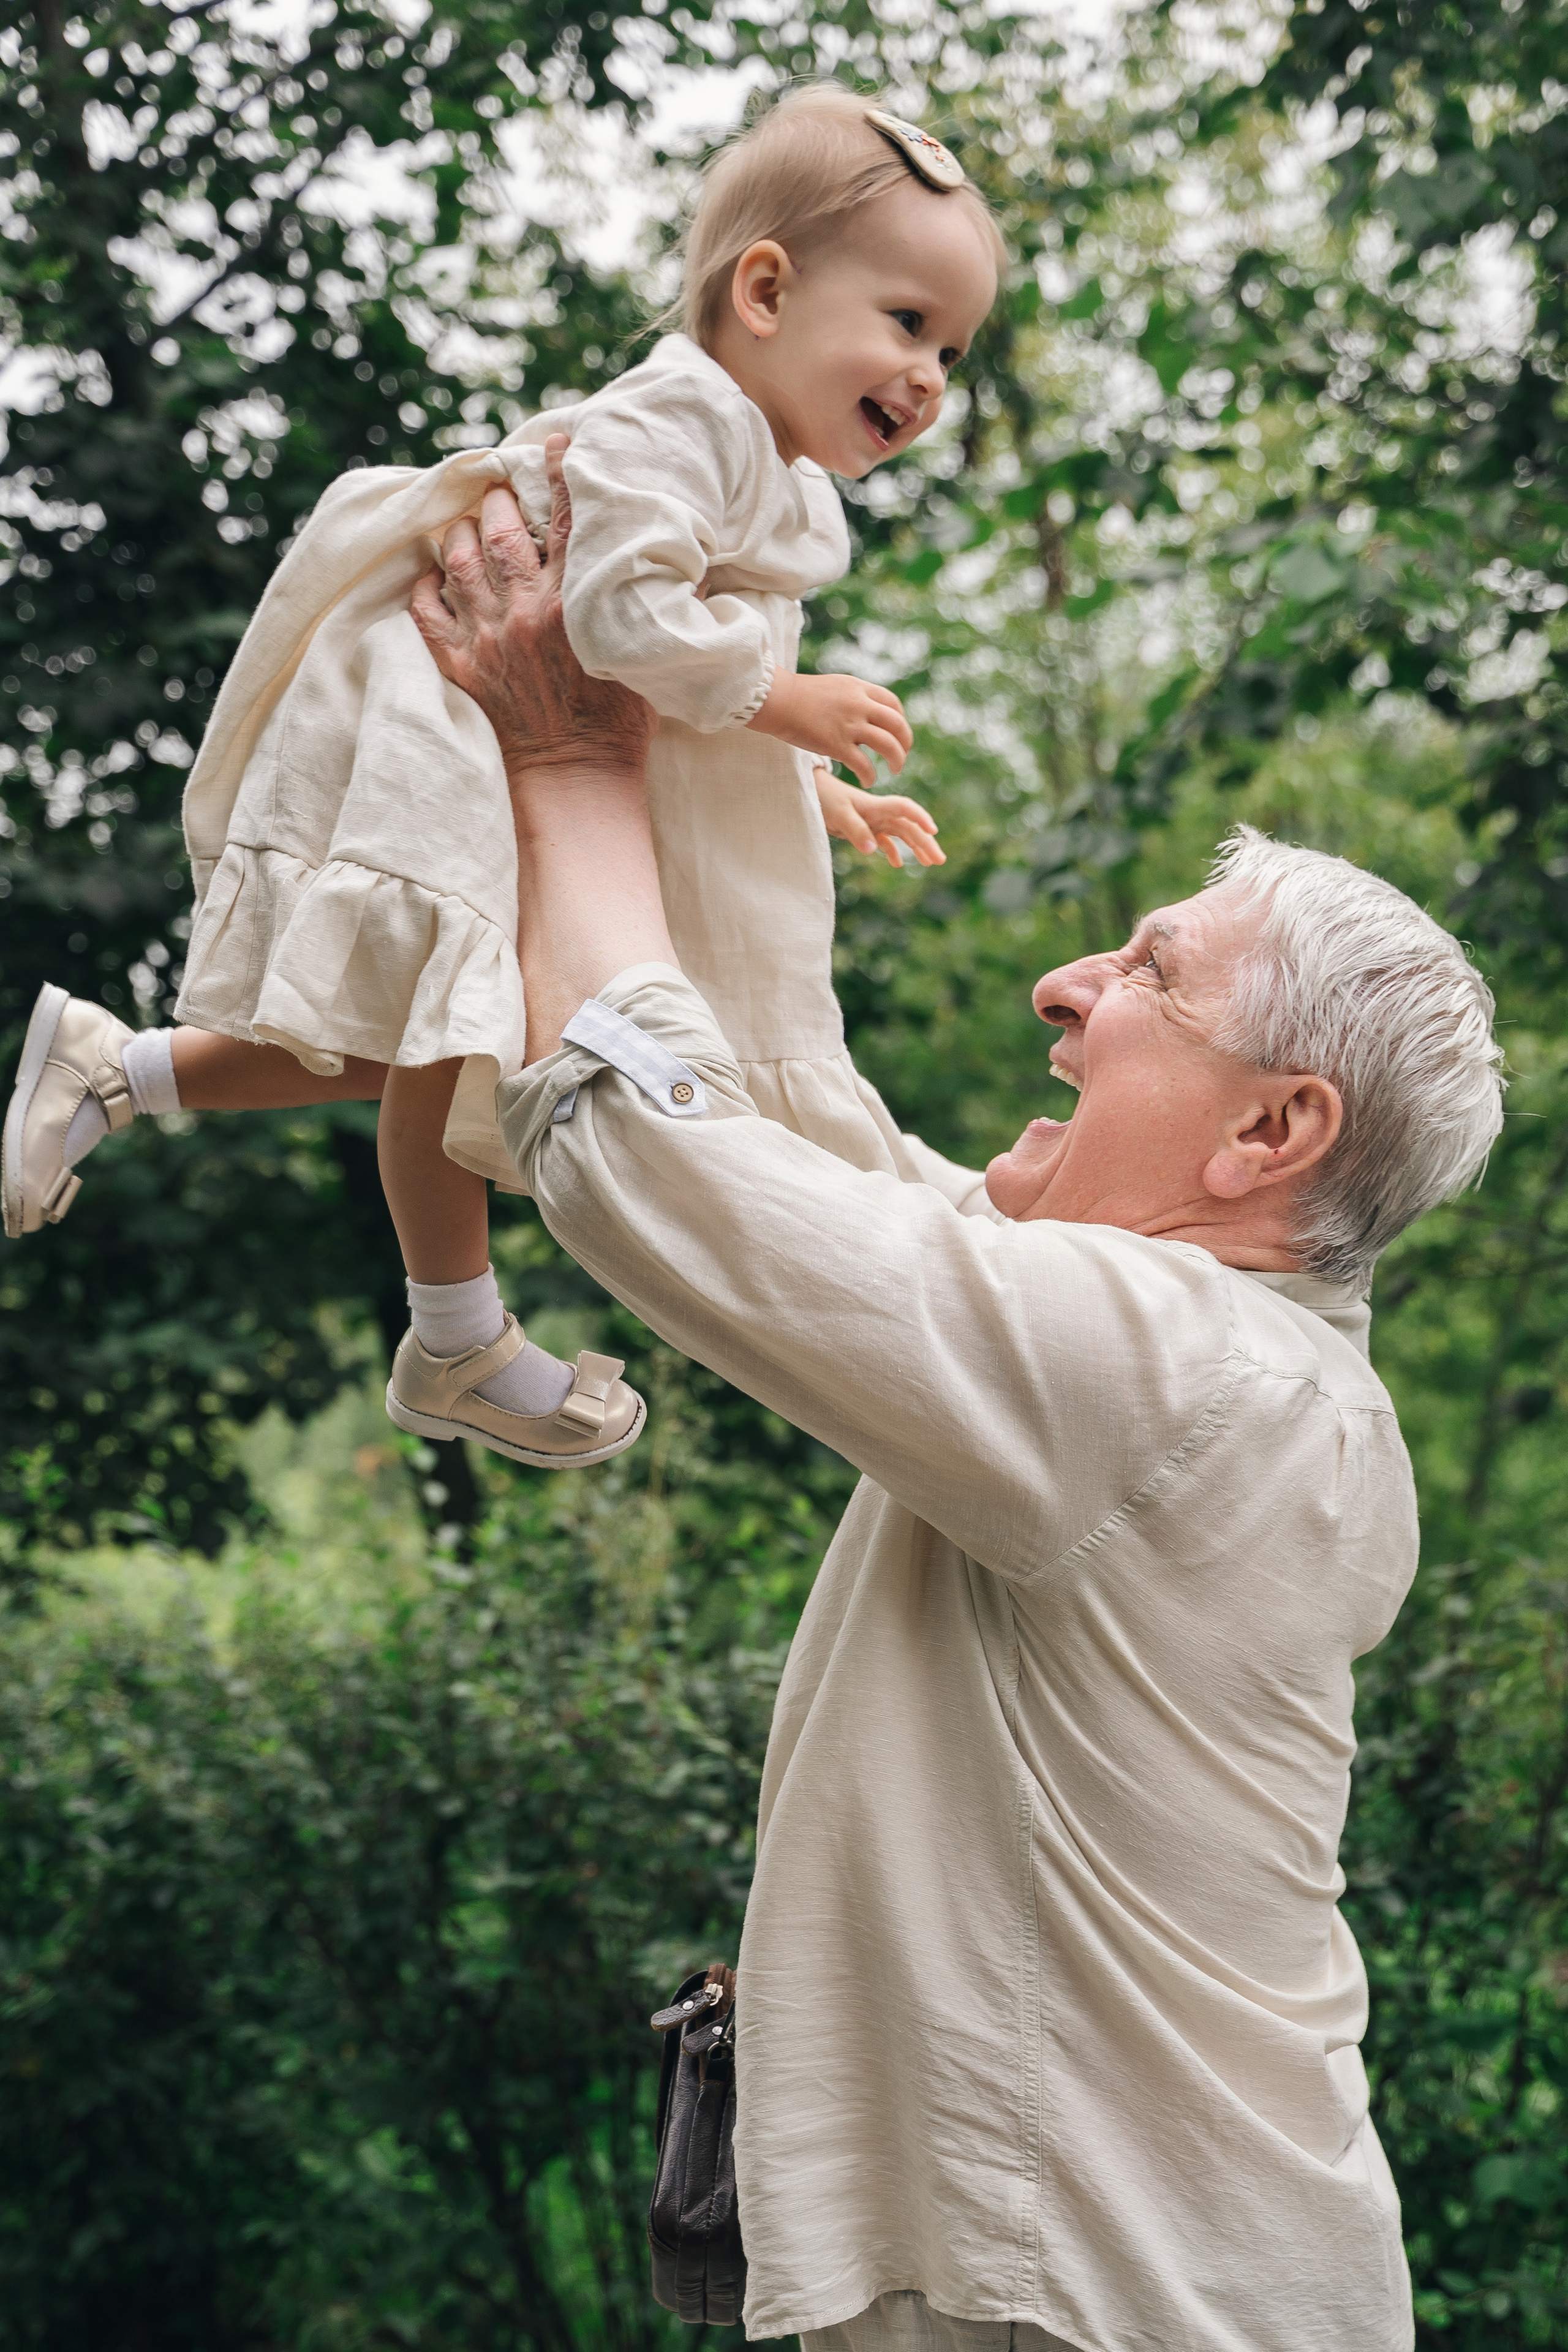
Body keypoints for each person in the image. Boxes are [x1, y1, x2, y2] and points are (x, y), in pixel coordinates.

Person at [404, 459, 1504, 2352]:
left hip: (1093, 2309)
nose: (1067, 987)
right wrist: (704, 770)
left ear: (1269, 1132)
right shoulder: (1227, 1370)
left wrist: (575, 760)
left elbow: (665, 1174)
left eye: (1151, 970)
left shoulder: (1172, 1372)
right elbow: (788, 1128)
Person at [1, 85, 1001, 1470]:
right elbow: (617, 619)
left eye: (953, 346)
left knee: (409, 1039)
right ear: (762, 290)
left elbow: (682, 690)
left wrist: (804, 776)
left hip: (496, 725)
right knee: (449, 1033)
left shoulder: (767, 470)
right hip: (448, 710)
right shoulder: (684, 418)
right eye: (906, 324)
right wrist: (786, 698)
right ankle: (455, 1337)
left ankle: (117, 1075)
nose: (933, 374)